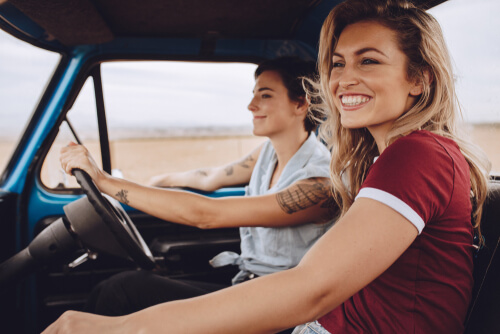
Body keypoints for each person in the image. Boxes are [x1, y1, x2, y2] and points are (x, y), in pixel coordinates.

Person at [44, 1, 491, 333]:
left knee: (122, 301)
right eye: (337, 64)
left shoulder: (414, 156)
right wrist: (125, 184)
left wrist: (124, 328)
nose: (343, 78)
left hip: (306, 315)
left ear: (419, 79)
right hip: (310, 317)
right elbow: (202, 181)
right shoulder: (382, 161)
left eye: (369, 60)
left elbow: (308, 286)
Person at [63, 57, 337, 318]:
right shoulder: (267, 154)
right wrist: (159, 181)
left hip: (280, 308)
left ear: (301, 104)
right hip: (247, 288)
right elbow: (210, 177)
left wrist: (105, 181)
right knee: (111, 290)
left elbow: (207, 215)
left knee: (122, 291)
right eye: (254, 94)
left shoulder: (319, 185)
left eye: (265, 95)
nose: (251, 105)